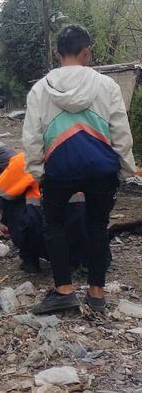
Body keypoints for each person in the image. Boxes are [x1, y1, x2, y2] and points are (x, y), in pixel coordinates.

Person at [23, 24, 136, 314]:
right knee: (97, 226)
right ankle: (96, 294)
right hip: (101, 168)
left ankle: (64, 291)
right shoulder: (107, 86)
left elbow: (32, 136)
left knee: (54, 226)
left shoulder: (40, 89)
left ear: (56, 52)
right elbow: (121, 132)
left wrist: (36, 170)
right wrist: (125, 169)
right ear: (87, 52)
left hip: (58, 170)